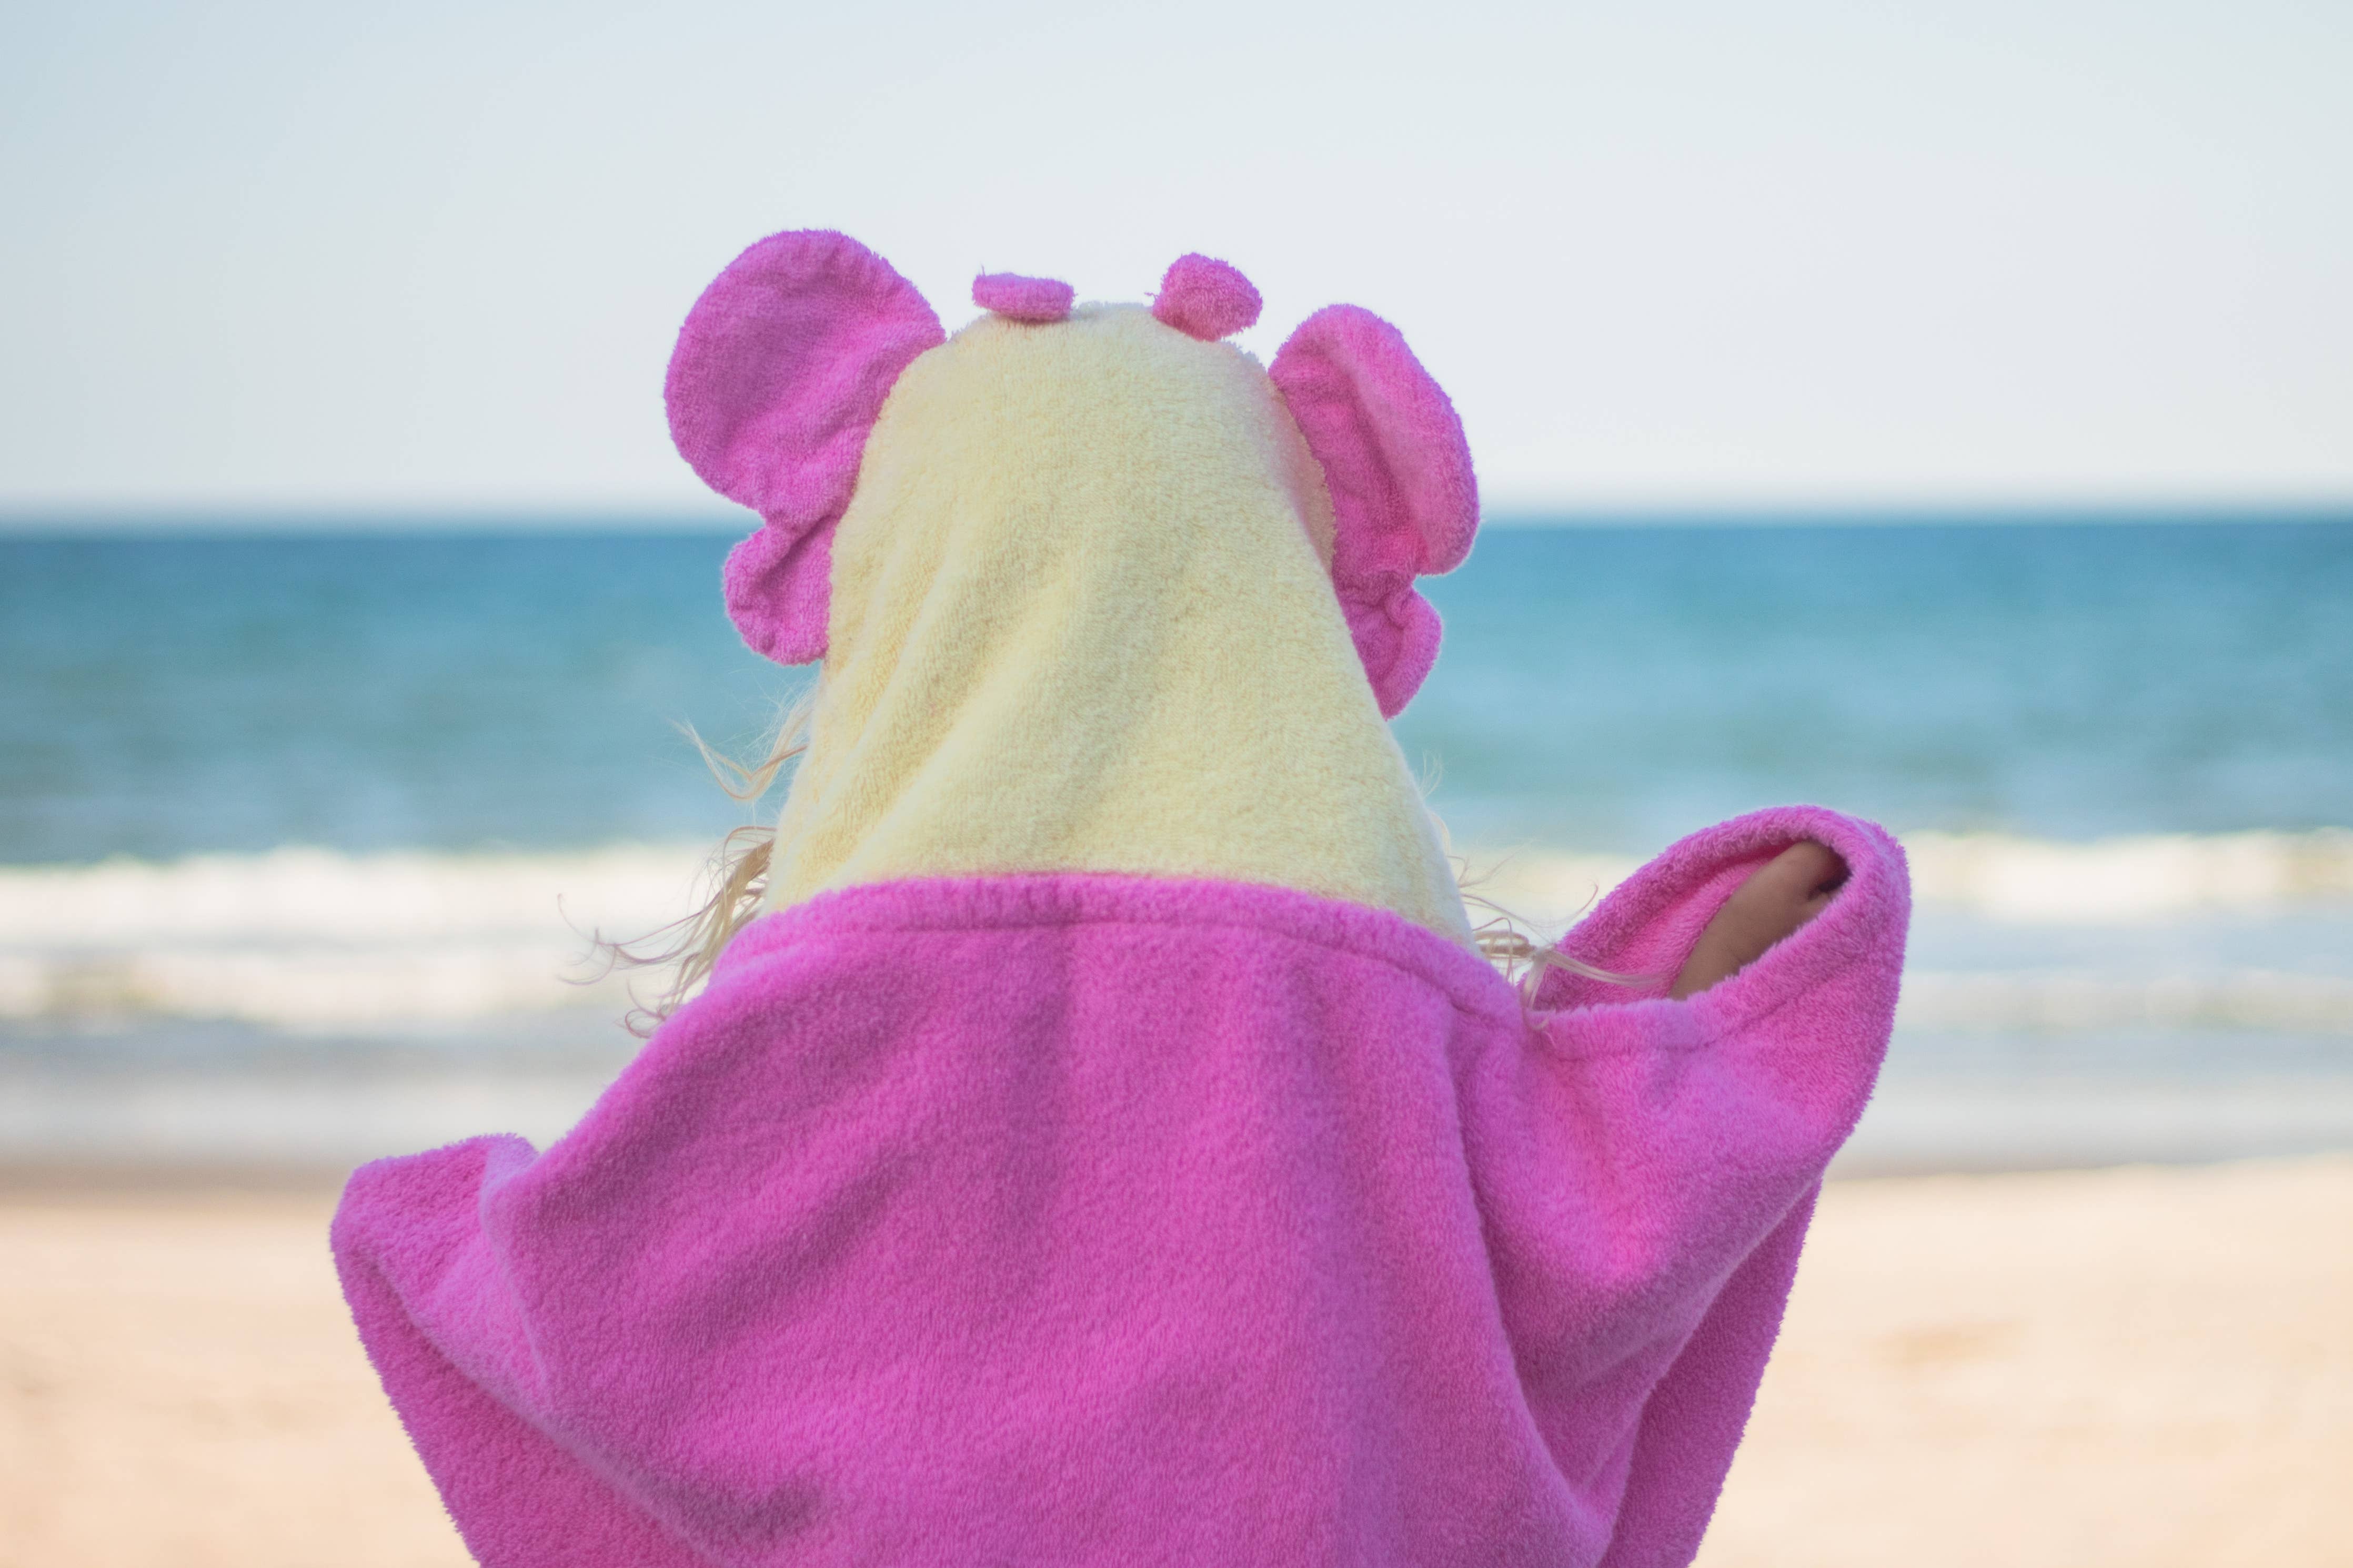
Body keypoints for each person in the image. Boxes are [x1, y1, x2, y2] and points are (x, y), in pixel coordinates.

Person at [334, 232, 1907, 1568]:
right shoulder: (1367, 1021)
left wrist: (424, 1233)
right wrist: (1722, 977)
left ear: (907, 598)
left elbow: (601, 1319)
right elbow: (1587, 1255)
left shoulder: (813, 1006)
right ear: (1284, 602)